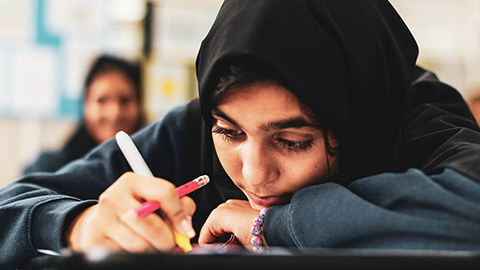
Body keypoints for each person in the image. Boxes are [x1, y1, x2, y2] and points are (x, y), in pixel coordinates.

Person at [2, 0, 480, 268]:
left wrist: (269, 225)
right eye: (230, 134)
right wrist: (80, 224)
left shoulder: (410, 115)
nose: (253, 173)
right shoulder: (195, 125)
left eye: (293, 141)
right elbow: (10, 209)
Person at [22, 55, 144, 174]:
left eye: (125, 100)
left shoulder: (156, 166)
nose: (114, 113)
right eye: (102, 100)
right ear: (85, 104)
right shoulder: (48, 170)